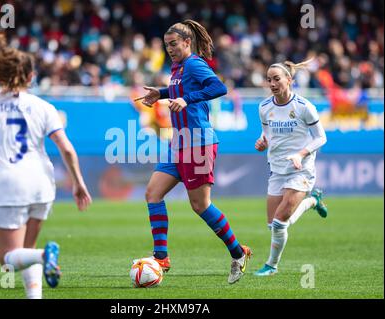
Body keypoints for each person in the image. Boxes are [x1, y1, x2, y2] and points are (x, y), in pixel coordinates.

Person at [0, 33, 92, 298]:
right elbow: (66, 148)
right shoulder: (44, 106)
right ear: (31, 77)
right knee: (25, 251)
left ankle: (46, 255)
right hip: (42, 183)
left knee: (7, 258)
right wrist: (78, 183)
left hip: (8, 184)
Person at [134, 19, 252, 284]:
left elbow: (218, 88)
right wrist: (162, 93)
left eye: (174, 44)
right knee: (153, 193)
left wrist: (186, 99)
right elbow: (182, 89)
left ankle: (238, 252)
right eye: (166, 45)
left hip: (198, 142)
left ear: (188, 42)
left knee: (200, 205)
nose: (170, 49)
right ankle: (161, 257)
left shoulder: (195, 63)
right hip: (179, 143)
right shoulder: (177, 67)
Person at [253, 58, 328, 276]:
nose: (272, 84)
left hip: (301, 169)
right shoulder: (264, 107)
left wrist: (301, 154)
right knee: (274, 225)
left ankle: (271, 266)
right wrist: (262, 141)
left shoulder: (304, 107)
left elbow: (321, 138)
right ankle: (313, 201)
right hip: (276, 169)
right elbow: (267, 133)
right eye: (269, 80)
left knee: (278, 223)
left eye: (276, 79)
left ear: (289, 80)